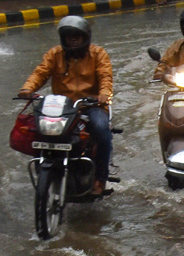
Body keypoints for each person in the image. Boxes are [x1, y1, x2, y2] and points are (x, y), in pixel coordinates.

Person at [19, 16, 114, 196]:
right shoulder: (54, 54)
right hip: (61, 107)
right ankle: (43, 170)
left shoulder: (98, 54)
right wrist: (27, 89)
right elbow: (41, 72)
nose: (73, 40)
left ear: (85, 37)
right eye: (69, 37)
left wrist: (104, 95)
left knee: (102, 130)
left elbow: (105, 77)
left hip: (89, 105)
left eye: (76, 36)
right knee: (38, 131)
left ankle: (100, 179)